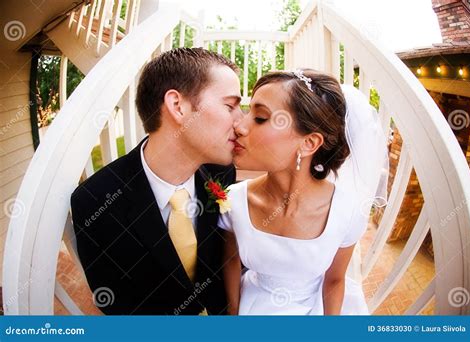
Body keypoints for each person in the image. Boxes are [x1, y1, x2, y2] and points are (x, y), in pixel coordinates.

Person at [71, 48, 243, 315]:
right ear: (178, 106)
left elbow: (227, 264)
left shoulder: (222, 174)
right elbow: (118, 306)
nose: (241, 123)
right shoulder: (96, 201)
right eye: (230, 106)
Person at [219, 69, 387, 315]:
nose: (240, 126)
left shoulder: (346, 212)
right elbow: (230, 261)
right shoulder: (232, 200)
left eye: (261, 117)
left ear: (309, 143)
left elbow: (335, 280)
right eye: (248, 111)